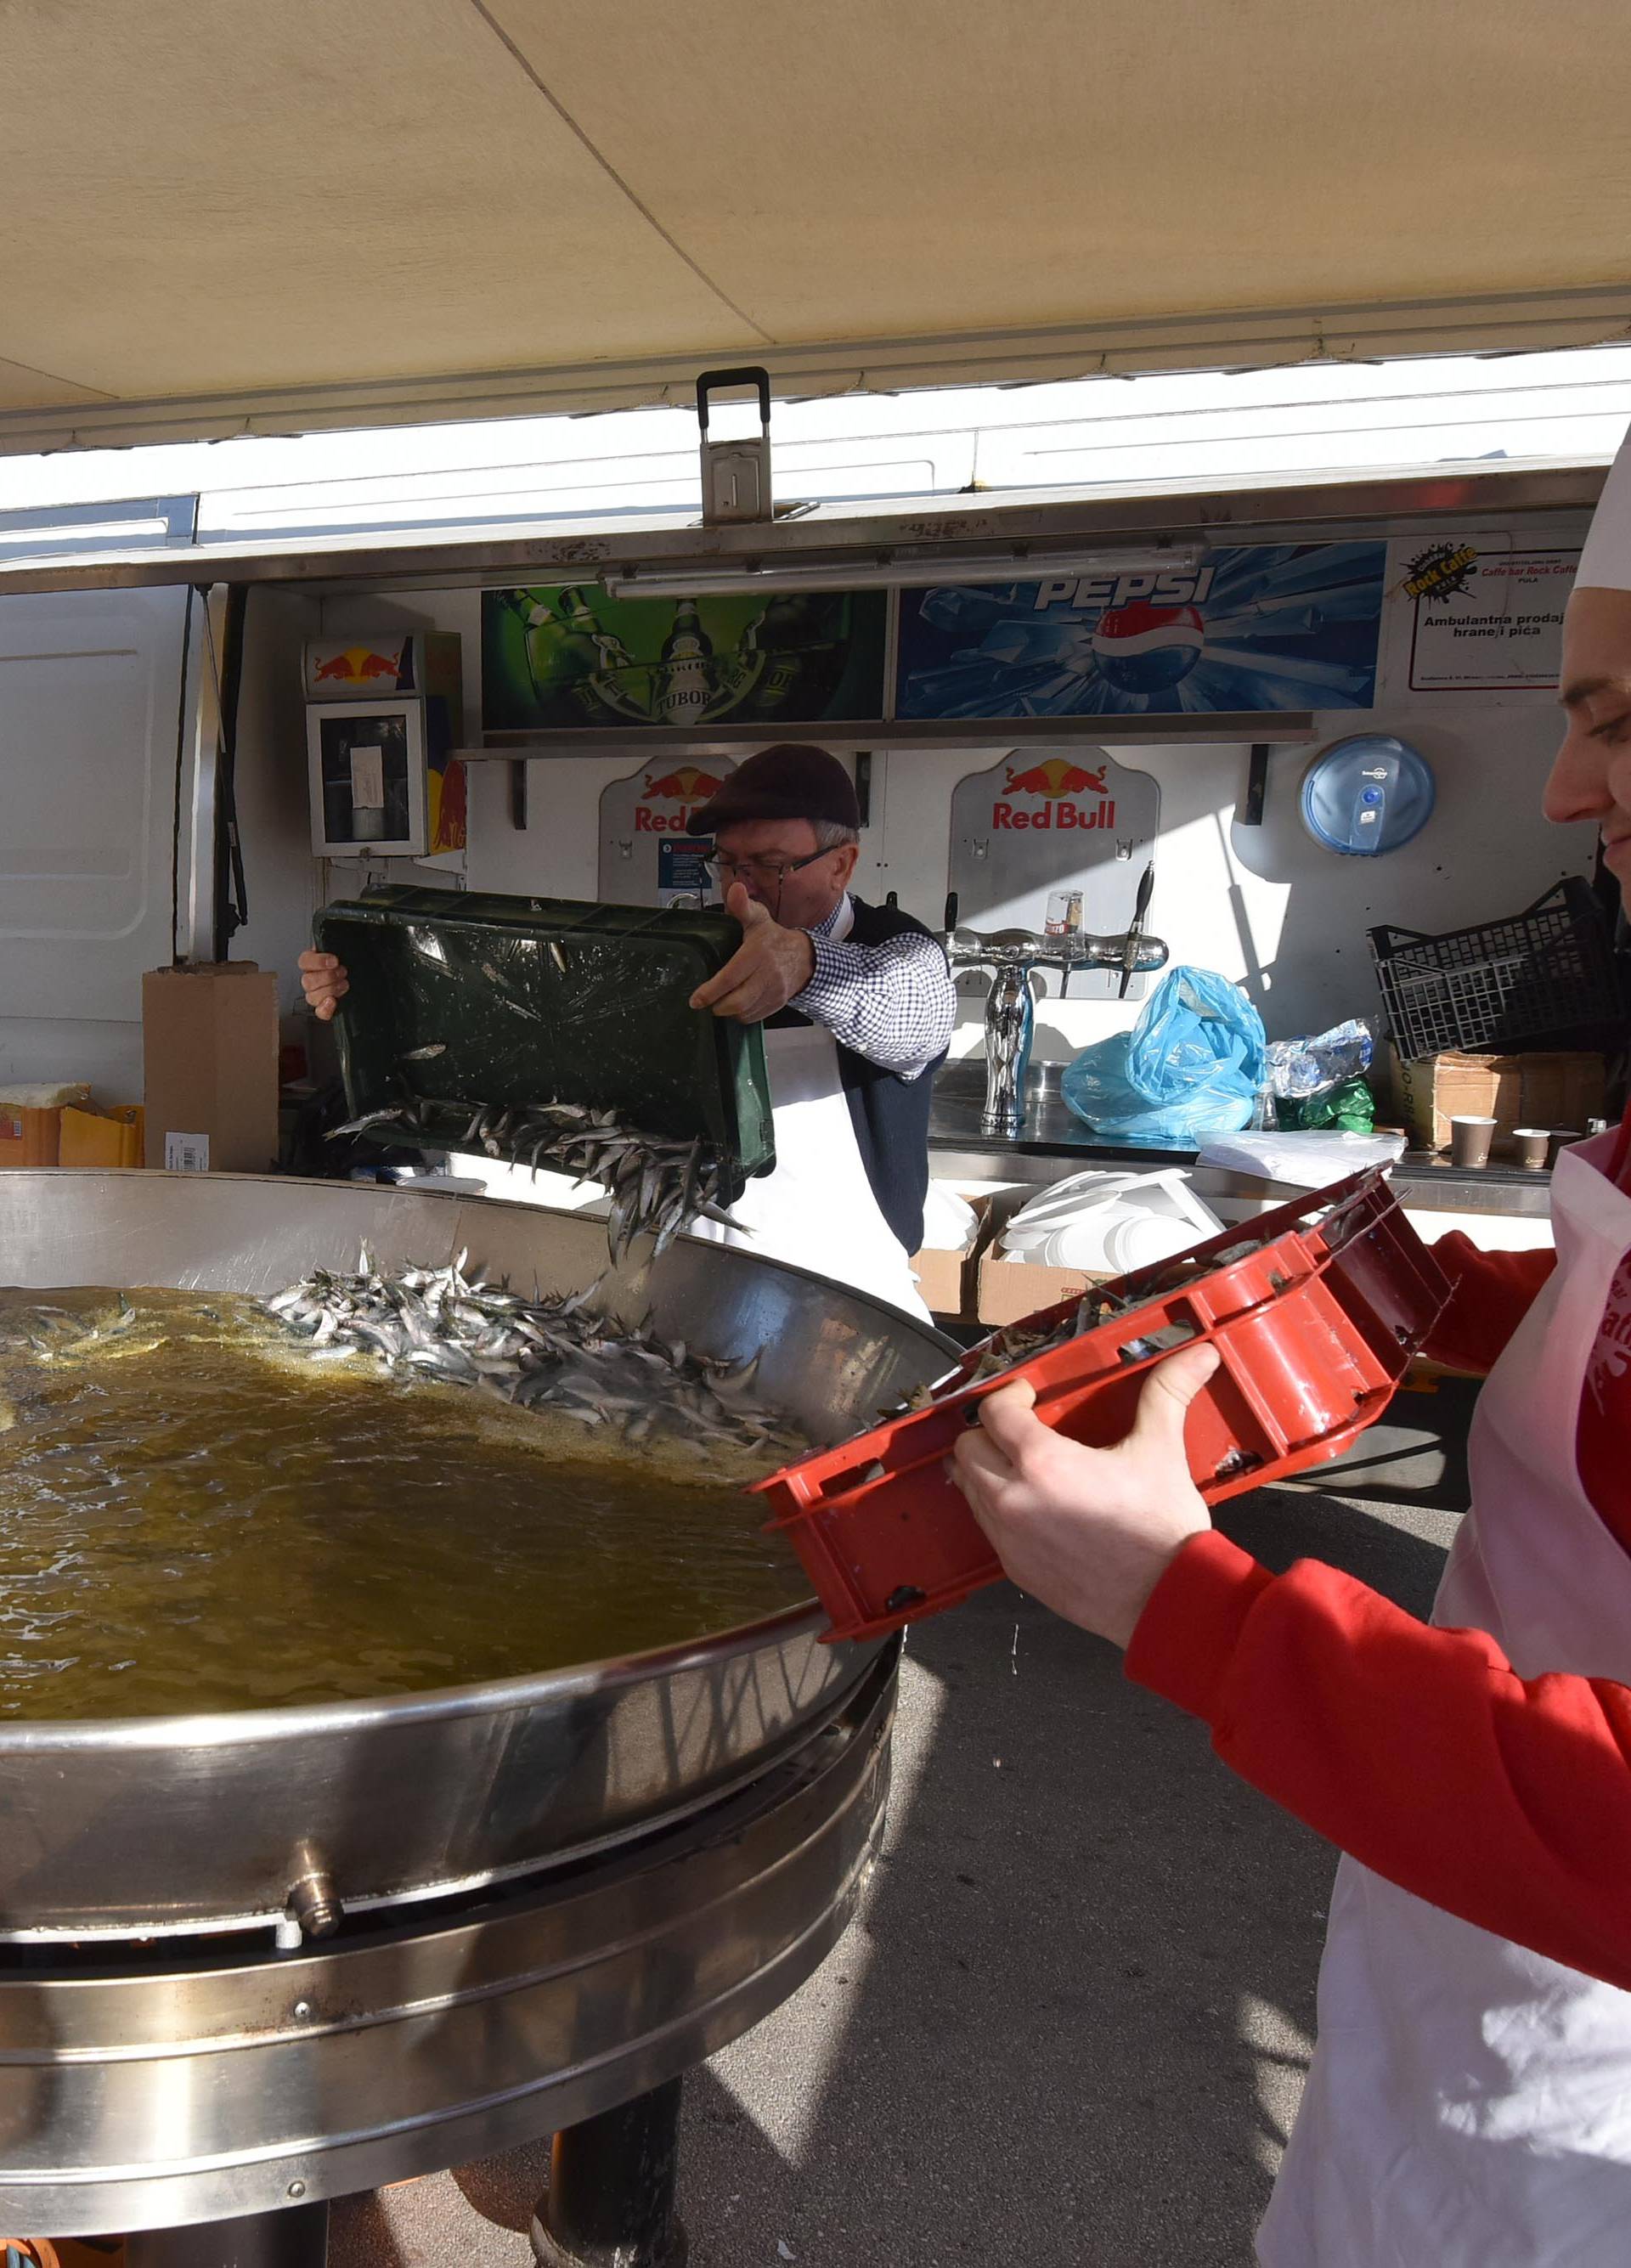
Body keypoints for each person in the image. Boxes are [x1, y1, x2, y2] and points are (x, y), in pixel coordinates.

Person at [951, 432, 1631, 2266]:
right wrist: (1371, 1303)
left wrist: (1185, 1599)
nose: (1566, 787)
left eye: (1626, 723)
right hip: (1461, 1931)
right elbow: (1608, 1352)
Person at [298, 742, 955, 1317]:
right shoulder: (686, 947)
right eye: (728, 863)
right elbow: (544, 1023)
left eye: (772, 864)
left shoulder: (898, 950)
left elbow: (913, 1015)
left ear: (841, 865)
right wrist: (375, 992)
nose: (743, 888)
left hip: (844, 1295)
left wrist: (804, 965)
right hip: (687, 1283)